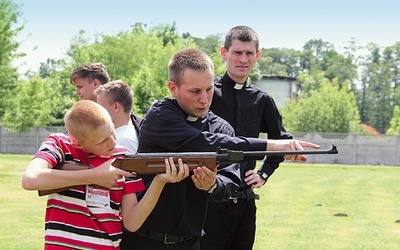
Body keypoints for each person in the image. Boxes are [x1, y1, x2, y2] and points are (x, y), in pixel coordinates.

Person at [120, 48, 319, 250]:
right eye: (195, 91)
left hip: (189, 244)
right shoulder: (161, 116)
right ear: (173, 88)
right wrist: (274, 145)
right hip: (142, 241)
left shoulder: (222, 128)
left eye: (209, 89)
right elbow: (203, 142)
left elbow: (231, 181)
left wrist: (212, 185)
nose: (205, 99)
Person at [21, 100, 189, 249]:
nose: (113, 142)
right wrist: (94, 176)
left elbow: (132, 223)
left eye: (112, 131)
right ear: (78, 144)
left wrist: (160, 181)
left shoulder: (122, 156)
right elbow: (30, 179)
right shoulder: (59, 144)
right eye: (102, 140)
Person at [202, 25, 294, 250]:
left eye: (249, 53)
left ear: (257, 56)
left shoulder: (262, 100)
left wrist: (264, 172)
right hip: (207, 202)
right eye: (237, 52)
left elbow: (281, 140)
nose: (243, 59)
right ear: (224, 53)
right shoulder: (206, 94)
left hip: (245, 201)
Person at [70, 63, 142, 134]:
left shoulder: (134, 126)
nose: (77, 93)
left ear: (95, 83)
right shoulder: (85, 118)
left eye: (80, 87)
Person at [94, 80, 139, 153]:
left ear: (116, 107)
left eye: (101, 107)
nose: (97, 111)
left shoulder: (124, 140)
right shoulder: (122, 135)